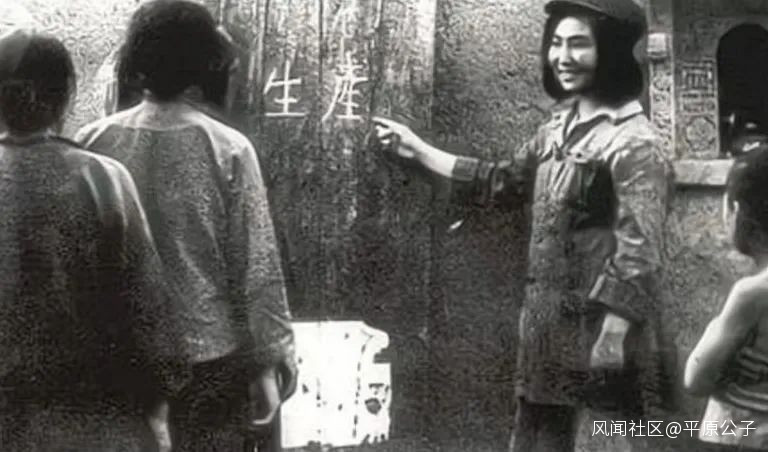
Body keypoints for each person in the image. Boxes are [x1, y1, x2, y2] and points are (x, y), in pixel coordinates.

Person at [374, 0, 674, 450]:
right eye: (556, 43)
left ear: (611, 51)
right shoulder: (556, 129)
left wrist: (613, 335)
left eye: (579, 44)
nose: (562, 57)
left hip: (602, 344)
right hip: (546, 340)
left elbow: (640, 253)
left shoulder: (635, 143)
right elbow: (501, 181)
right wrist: (416, 150)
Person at [74, 1, 296, 450]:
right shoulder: (228, 149)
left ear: (137, 59)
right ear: (204, 61)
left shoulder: (92, 142)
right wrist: (271, 360)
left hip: (123, 360)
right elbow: (257, 267)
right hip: (209, 359)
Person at [0, 28, 185, 451]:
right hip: (89, 416)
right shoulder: (101, 178)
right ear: (66, 95)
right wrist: (158, 401)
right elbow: (145, 302)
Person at [685, 145, 768, 452]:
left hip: (743, 435)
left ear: (737, 211)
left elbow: (696, 379)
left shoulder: (752, 293)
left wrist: (715, 327)